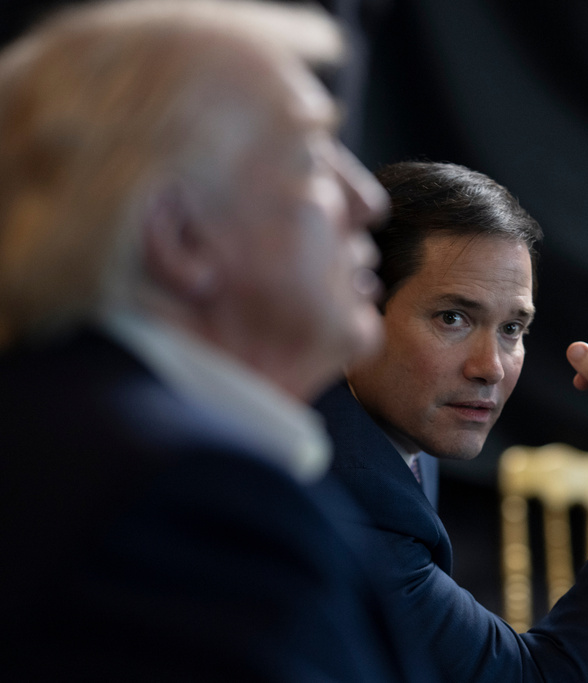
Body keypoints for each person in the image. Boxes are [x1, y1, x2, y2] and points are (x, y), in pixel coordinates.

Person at [0, 1, 434, 680]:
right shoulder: (192, 511)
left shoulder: (54, 437)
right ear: (182, 236)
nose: (366, 200)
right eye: (310, 155)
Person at [313, 160, 588, 683]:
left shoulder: (397, 423)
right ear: (356, 307)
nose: (491, 367)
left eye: (512, 328)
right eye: (452, 318)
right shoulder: (351, 493)